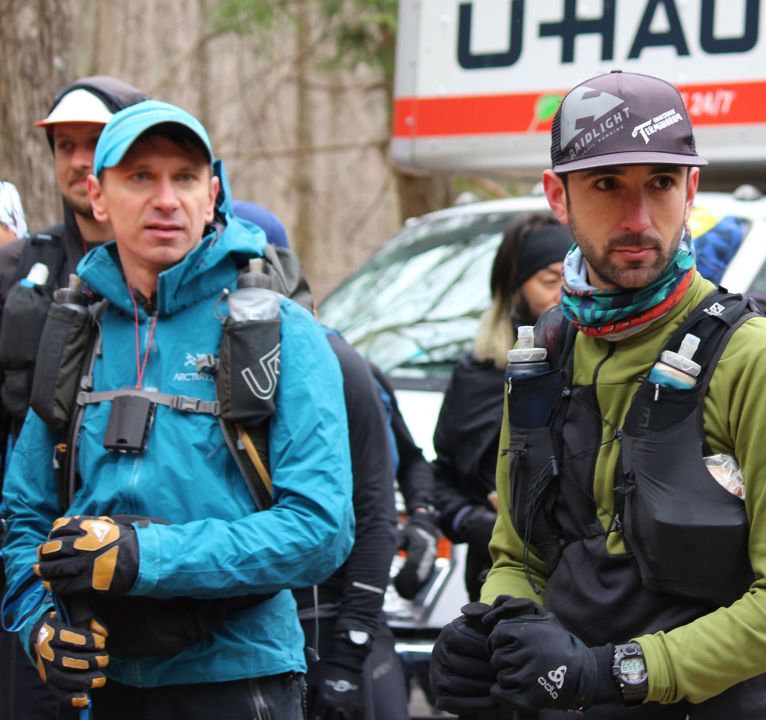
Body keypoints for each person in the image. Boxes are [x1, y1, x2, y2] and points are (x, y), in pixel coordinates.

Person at [429, 70, 766, 718]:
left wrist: (608, 671)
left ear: (691, 189)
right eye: (607, 185)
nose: (638, 217)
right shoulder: (540, 354)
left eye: (662, 183)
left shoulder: (759, 360)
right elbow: (518, 555)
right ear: (558, 196)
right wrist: (492, 629)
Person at [1, 100, 353, 718]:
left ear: (212, 194)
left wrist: (144, 559)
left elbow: (321, 531)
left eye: (184, 178)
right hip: (102, 690)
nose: (166, 198)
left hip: (239, 680)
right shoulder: (71, 336)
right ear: (98, 196)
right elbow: (24, 517)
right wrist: (41, 628)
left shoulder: (283, 332)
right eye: (140, 177)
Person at [0, 76, 146, 720]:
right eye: (64, 145)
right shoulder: (18, 273)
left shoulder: (176, 281)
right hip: (37, 578)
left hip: (152, 582)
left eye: (96, 142)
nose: (79, 161)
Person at [233, 199, 408, 720]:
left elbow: (375, 511)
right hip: (253, 643)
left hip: (334, 628)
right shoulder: (206, 357)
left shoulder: (332, 358)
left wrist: (348, 658)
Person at [429, 213, 572, 604]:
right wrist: (473, 521)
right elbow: (442, 473)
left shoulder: (591, 366)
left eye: (574, 274)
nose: (566, 290)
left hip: (580, 580)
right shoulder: (476, 374)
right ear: (514, 290)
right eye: (549, 280)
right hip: (493, 577)